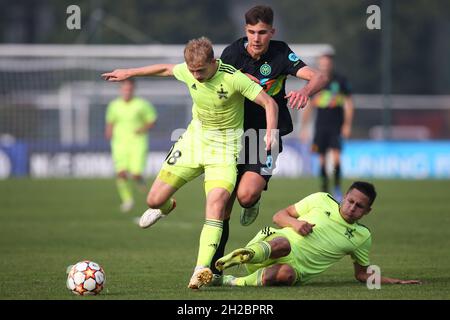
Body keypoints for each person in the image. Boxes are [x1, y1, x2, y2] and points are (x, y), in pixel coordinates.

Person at [102, 37, 278, 289]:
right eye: (192, 70)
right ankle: (166, 206)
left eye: (201, 70)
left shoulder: (233, 77)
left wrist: (270, 132)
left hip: (224, 150)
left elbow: (269, 103)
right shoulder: (188, 71)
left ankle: (200, 269)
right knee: (153, 200)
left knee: (216, 204)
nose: (196, 75)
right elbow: (164, 68)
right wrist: (129, 72)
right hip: (193, 143)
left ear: (213, 62)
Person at [210, 4, 327, 278]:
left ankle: (253, 202)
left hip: (266, 136)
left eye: (262, 32)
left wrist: (306, 90)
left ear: (271, 32)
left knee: (246, 195)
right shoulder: (232, 54)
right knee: (223, 202)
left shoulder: (281, 52)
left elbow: (318, 76)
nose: (256, 38)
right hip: (234, 134)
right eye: (251, 32)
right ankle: (214, 267)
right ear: (245, 31)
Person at [214, 181, 421, 287]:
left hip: (296, 269)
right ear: (345, 196)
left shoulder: (362, 236)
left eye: (359, 206)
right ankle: (245, 254)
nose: (352, 208)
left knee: (286, 274)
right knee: (283, 244)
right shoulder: (321, 199)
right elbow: (279, 216)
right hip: (272, 245)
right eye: (350, 201)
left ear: (367, 211)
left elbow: (361, 274)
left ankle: (231, 281)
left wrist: (394, 281)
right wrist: (295, 223)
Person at [300, 53, 354, 202]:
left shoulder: (340, 81)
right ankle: (324, 191)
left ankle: (337, 188)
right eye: (322, 64)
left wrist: (347, 125)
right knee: (322, 159)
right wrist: (304, 128)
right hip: (320, 127)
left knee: (336, 159)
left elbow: (349, 104)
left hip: (336, 127)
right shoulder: (313, 81)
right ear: (319, 65)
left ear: (331, 64)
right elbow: (308, 106)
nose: (325, 66)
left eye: (327, 64)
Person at [105, 79, 158, 213]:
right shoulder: (114, 105)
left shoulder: (142, 104)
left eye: (129, 89)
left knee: (135, 174)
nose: (127, 92)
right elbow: (110, 122)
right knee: (121, 173)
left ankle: (140, 181)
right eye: (124, 89)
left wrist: (143, 129)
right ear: (120, 90)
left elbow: (152, 120)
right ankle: (128, 201)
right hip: (119, 144)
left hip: (137, 143)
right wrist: (109, 132)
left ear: (133, 90)